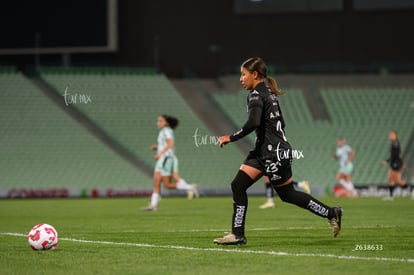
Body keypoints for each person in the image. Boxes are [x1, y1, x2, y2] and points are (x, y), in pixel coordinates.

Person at [213, 57, 342, 246]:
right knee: (239, 186)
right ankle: (237, 234)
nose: (241, 79)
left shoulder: (256, 94)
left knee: (287, 194)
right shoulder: (268, 93)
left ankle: (332, 213)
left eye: (243, 74)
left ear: (254, 75)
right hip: (266, 151)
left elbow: (254, 122)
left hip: (271, 153)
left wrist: (231, 137)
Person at [142, 115, 198, 211]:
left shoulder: (167, 131)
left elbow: (170, 144)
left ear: (166, 123)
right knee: (156, 182)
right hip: (162, 159)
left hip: (166, 159)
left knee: (167, 184)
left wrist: (160, 153)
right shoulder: (163, 131)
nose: (158, 123)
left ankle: (189, 187)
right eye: (158, 121)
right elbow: (165, 144)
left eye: (161, 121)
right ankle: (153, 206)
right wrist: (157, 147)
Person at [382, 130, 408, 200]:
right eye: (389, 134)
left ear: (395, 135)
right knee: (390, 179)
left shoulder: (396, 143)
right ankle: (391, 196)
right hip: (393, 162)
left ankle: (411, 189)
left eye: (391, 134)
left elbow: (396, 155)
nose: (390, 136)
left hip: (396, 163)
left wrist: (387, 161)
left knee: (398, 181)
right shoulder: (394, 143)